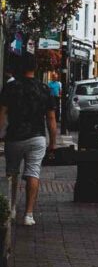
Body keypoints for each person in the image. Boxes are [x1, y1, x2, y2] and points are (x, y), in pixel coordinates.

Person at [0, 53, 58, 227]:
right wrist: (53, 142)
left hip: (14, 136)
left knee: (11, 173)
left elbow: (2, 114)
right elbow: (51, 118)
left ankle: (11, 209)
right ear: (35, 67)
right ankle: (29, 214)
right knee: (33, 173)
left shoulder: (11, 87)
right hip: (37, 136)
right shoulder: (44, 88)